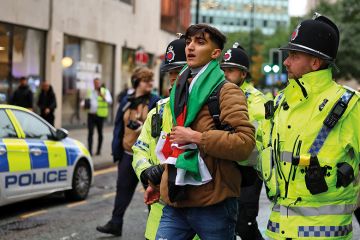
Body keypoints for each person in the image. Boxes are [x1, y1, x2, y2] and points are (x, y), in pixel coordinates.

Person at [148, 24, 255, 240]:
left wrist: (197, 137)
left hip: (213, 203)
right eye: (188, 42)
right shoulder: (180, 88)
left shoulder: (227, 91)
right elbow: (176, 145)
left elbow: (244, 143)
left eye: (200, 42)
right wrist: (158, 183)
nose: (190, 47)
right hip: (176, 197)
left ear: (216, 53)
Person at [259, 13, 360, 239]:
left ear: (315, 62)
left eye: (294, 55)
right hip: (276, 232)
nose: (285, 61)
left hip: (324, 234)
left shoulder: (349, 106)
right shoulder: (279, 103)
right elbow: (258, 153)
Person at [132, 36, 198, 240]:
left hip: (197, 217)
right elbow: (140, 149)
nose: (173, 78)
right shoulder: (159, 110)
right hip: (159, 221)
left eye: (178, 72)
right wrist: (146, 173)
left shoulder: (204, 110)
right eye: (171, 72)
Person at [96, 67, 160, 236]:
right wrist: (115, 150)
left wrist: (143, 129)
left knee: (152, 194)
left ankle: (157, 229)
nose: (150, 84)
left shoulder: (155, 101)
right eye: (147, 81)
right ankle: (115, 223)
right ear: (137, 82)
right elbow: (118, 126)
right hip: (127, 154)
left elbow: (158, 127)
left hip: (147, 158)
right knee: (122, 190)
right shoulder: (126, 101)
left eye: (151, 81)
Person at [220, 43, 266, 240]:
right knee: (224, 222)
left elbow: (259, 139)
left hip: (248, 170)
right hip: (225, 167)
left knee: (245, 225)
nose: (225, 75)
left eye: (231, 71)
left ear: (243, 74)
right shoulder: (218, 93)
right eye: (223, 70)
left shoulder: (256, 100)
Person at [86, 78, 112, 156]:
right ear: (93, 83)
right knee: (90, 133)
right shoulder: (90, 91)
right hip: (91, 114)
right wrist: (84, 105)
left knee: (100, 133)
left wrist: (103, 96)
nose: (96, 84)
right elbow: (87, 101)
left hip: (100, 115)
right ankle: (89, 151)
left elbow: (110, 101)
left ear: (100, 83)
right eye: (95, 83)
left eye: (98, 83)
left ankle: (98, 150)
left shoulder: (105, 91)